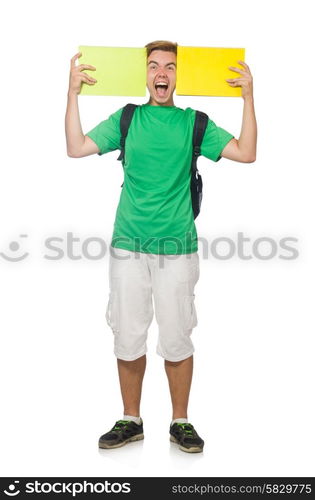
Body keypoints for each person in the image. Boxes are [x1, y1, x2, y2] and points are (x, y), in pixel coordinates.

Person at [65, 40, 257, 453]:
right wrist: (72, 94)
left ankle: (180, 422)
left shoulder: (195, 123)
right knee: (128, 334)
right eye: (154, 66)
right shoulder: (127, 119)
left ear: (178, 76)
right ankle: (130, 420)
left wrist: (248, 98)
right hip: (128, 246)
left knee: (176, 336)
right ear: (146, 74)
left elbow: (246, 152)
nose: (161, 74)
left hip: (178, 248)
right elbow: (76, 146)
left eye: (169, 67)